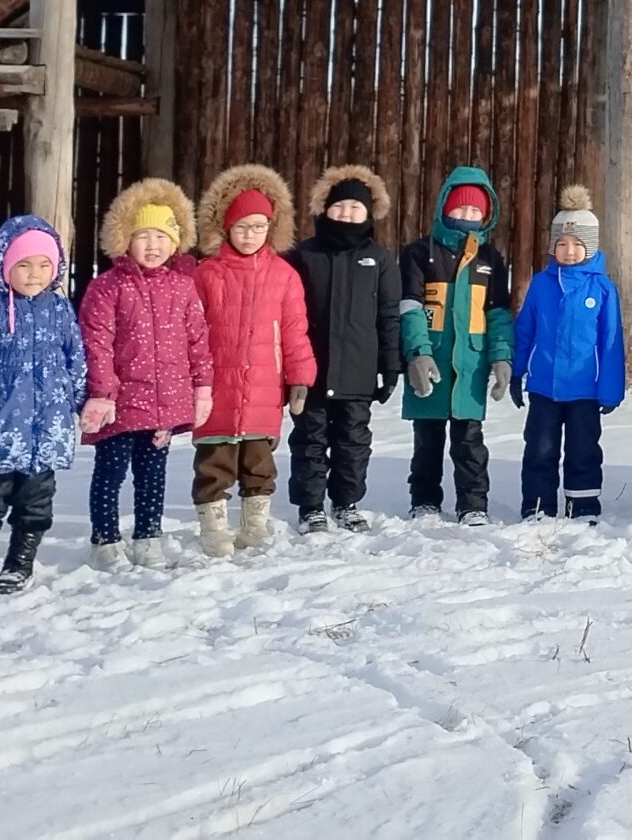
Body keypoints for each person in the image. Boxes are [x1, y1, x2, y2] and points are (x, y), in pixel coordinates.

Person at [0, 213, 87, 593]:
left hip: (46, 435)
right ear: (4, 266)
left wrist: (80, 404)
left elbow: (76, 362)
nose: (34, 274)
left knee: (36, 505)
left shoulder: (59, 311)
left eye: (44, 265)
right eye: (23, 265)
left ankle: (19, 564)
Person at [76, 179, 213, 569]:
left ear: (176, 242)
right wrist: (102, 393)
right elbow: (96, 343)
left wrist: (202, 387)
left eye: (162, 236)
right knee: (111, 473)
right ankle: (105, 540)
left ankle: (148, 536)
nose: (153, 245)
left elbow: (197, 342)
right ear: (125, 239)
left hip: (164, 404)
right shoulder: (107, 288)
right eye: (143, 236)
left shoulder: (183, 288)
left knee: (152, 475)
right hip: (119, 406)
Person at [190, 164, 317, 558]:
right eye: (242, 227)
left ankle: (254, 526)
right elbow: (191, 332)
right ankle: (214, 530)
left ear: (271, 229)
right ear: (226, 228)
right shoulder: (206, 273)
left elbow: (295, 330)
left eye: (259, 227)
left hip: (264, 387)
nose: (250, 235)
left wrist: (300, 377)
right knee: (215, 462)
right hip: (217, 388)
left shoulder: (284, 275)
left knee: (260, 463)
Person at [286, 164, 404, 535]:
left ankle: (346, 503)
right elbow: (287, 314)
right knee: (310, 439)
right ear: (325, 209)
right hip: (311, 369)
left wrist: (390, 366)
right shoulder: (303, 255)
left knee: (353, 440)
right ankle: (311, 507)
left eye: (355, 207)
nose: (346, 214)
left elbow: (388, 315)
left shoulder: (380, 259)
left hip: (358, 368)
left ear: (369, 213)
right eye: (340, 206)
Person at [398, 165, 516, 524]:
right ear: (444, 208)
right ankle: (425, 501)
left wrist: (501, 358)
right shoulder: (419, 253)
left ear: (486, 216)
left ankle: (473, 504)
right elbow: (410, 307)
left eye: (475, 212)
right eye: (460, 209)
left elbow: (497, 314)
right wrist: (417, 352)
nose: (466, 217)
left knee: (469, 443)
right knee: (427, 441)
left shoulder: (490, 260)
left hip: (470, 365)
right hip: (430, 363)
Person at [511, 187, 626, 521]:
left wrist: (610, 388)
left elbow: (610, 341)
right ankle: (538, 507)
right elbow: (525, 330)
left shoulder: (602, 288)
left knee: (583, 450)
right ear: (553, 247)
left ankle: (584, 506)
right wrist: (519, 371)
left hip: (585, 389)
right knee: (539, 449)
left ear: (590, 247)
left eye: (577, 245)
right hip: (544, 386)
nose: (570, 251)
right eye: (562, 244)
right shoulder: (541, 284)